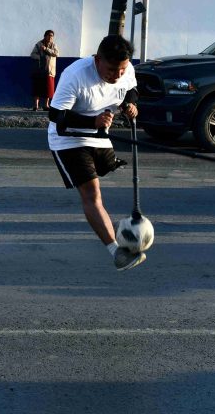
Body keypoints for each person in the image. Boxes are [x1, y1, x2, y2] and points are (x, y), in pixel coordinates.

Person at [47, 34, 145, 271]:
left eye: (121, 69)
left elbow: (131, 88)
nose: (117, 75)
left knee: (104, 172)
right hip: (68, 138)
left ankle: (110, 224)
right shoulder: (75, 75)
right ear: (97, 59)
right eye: (112, 70)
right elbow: (55, 115)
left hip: (100, 137)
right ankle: (116, 252)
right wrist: (92, 121)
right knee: (92, 194)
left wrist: (130, 105)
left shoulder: (125, 68)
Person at [30, 30, 59, 111]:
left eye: (52, 36)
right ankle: (36, 105)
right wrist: (41, 58)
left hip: (49, 70)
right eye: (49, 35)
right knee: (37, 88)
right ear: (45, 36)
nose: (50, 37)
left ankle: (46, 105)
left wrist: (46, 49)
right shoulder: (39, 44)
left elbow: (56, 54)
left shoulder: (53, 45)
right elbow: (32, 54)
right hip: (39, 70)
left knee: (48, 89)